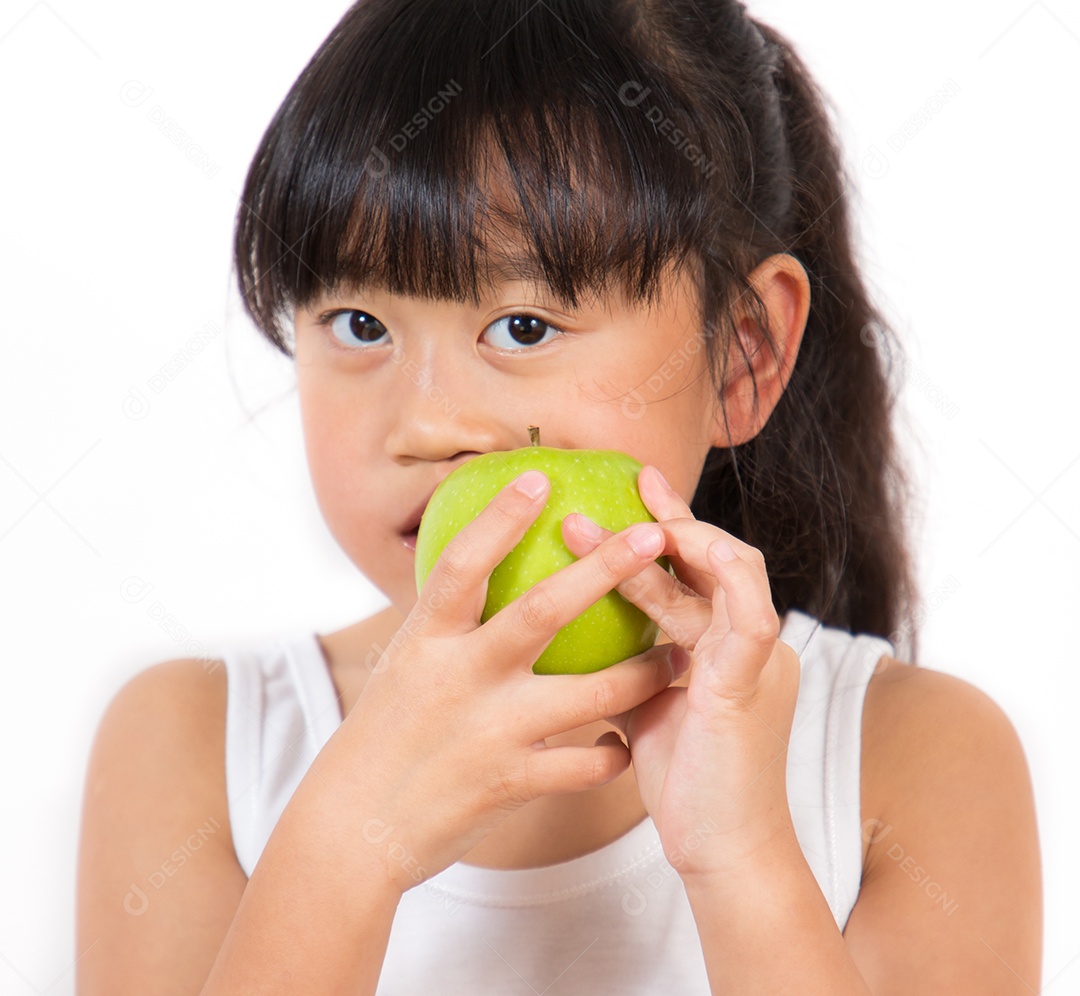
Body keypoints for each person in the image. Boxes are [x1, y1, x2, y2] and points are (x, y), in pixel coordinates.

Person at [75, 0, 1042, 991]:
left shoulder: (915, 757)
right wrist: (346, 843)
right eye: (361, 324)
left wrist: (742, 860)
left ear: (742, 355)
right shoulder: (195, 745)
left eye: (525, 327)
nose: (428, 425)